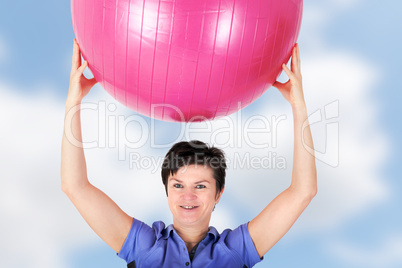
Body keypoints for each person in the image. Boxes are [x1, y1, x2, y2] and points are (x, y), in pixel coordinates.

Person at [61, 39, 317, 267]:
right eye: (178, 184)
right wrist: (74, 102)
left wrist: (298, 106)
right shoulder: (144, 247)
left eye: (201, 186)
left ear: (219, 193)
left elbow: (303, 191)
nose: (188, 196)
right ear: (167, 190)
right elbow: (75, 186)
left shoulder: (235, 251)